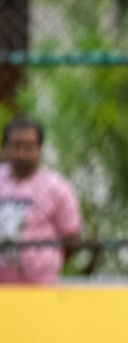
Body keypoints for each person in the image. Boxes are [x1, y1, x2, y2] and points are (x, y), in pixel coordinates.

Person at [0, 117, 80, 284]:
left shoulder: (57, 188)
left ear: (40, 149)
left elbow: (71, 240)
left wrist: (44, 262)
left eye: (28, 147)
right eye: (16, 146)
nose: (22, 153)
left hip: (40, 289)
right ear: (5, 148)